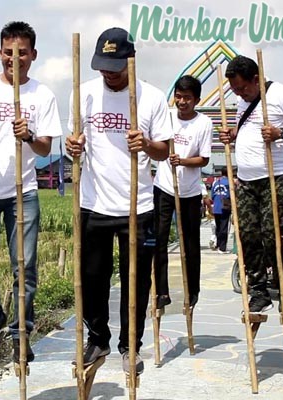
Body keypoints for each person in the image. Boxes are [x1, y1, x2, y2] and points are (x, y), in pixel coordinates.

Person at [65, 27, 171, 375]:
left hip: (137, 206)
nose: (108, 73)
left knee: (136, 281)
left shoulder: (151, 97)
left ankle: (131, 345)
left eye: (115, 66)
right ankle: (98, 338)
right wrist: (73, 148)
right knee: (92, 277)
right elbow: (73, 142)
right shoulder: (83, 95)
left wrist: (146, 145)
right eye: (102, 66)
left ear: (130, 61)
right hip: (93, 202)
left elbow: (164, 149)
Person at [0, 21, 63, 362]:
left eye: (22, 53)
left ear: (33, 55)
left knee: (25, 265)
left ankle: (21, 332)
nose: (14, 59)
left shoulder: (42, 95)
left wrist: (29, 135)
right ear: (0, 52)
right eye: (8, 52)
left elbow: (46, 148)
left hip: (24, 191)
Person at [219, 55, 283, 313]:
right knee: (247, 235)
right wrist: (233, 134)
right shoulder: (245, 102)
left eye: (242, 88)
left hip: (277, 175)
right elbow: (249, 130)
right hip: (247, 179)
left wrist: (282, 132)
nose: (239, 94)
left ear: (256, 79)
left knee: (271, 233)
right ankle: (258, 290)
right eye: (234, 90)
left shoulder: (281, 94)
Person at [153, 75, 213, 309]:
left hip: (189, 191)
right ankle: (161, 291)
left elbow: (204, 159)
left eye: (187, 98)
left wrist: (184, 161)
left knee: (190, 242)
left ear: (196, 99)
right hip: (164, 187)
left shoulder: (204, 123)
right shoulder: (166, 117)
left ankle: (192, 290)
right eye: (178, 96)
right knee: (158, 238)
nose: (182, 102)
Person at [211, 167, 231, 253]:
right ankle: (222, 248)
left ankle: (218, 244)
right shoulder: (229, 183)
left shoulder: (216, 182)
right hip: (225, 207)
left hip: (216, 207)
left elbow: (212, 196)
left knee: (218, 227)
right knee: (224, 227)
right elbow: (231, 195)